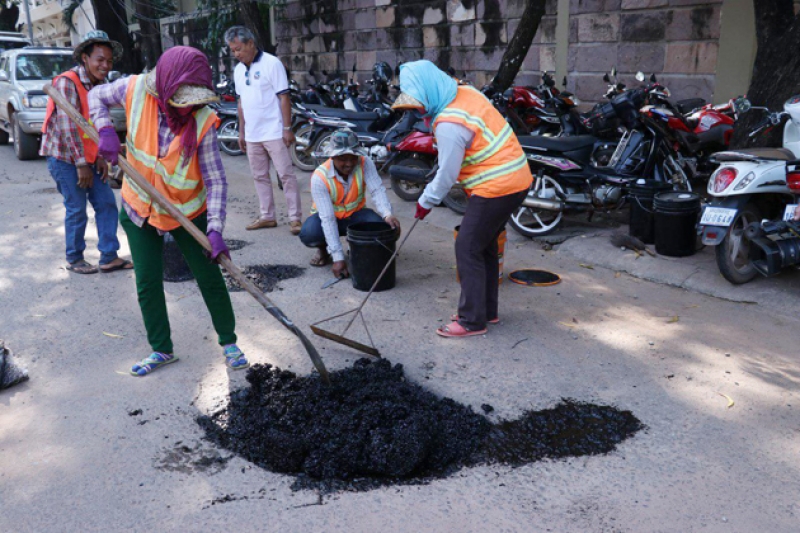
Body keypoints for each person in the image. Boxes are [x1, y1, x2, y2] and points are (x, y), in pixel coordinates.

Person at [89, 46, 249, 376]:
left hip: (187, 210)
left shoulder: (202, 120)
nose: (189, 108)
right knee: (147, 280)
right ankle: (162, 349)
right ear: (165, 86)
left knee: (210, 275)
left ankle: (229, 341)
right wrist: (104, 129)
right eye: (182, 100)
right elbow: (96, 96)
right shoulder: (135, 89)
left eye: (194, 101)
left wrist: (216, 228)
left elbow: (216, 179)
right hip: (139, 206)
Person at [393, 60, 533, 338]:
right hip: (518, 178)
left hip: (497, 185)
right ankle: (486, 311)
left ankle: (471, 321)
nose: (418, 110)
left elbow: (446, 175)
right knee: (485, 246)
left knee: (467, 248)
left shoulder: (448, 123)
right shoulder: (463, 92)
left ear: (430, 91)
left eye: (419, 103)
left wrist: (425, 201)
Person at [40, 30, 132, 274]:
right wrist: (82, 164)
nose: (105, 65)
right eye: (100, 59)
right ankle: (75, 258)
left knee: (107, 204)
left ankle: (109, 257)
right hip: (65, 158)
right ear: (85, 58)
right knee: (77, 208)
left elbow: (101, 123)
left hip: (90, 156)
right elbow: (68, 125)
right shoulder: (67, 82)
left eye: (109, 61)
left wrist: (100, 156)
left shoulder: (101, 85)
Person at [224, 26, 302, 234]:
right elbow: (241, 103)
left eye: (238, 49)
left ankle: (295, 218)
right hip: (252, 134)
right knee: (259, 176)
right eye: (232, 50)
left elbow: (284, 97)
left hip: (274, 131)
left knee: (286, 175)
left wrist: (287, 128)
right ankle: (267, 216)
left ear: (251, 43)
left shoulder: (272, 63)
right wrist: (241, 132)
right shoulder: (239, 70)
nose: (236, 54)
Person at [299, 129, 400, 279]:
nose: (349, 163)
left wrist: (387, 214)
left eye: (352, 158)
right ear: (332, 157)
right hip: (326, 218)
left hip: (355, 216)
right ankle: (323, 250)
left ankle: (356, 248)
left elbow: (377, 190)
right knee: (310, 233)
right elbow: (327, 219)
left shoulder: (365, 163)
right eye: (343, 159)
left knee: (383, 228)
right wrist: (338, 258)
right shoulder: (319, 177)